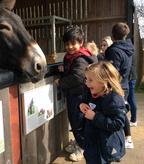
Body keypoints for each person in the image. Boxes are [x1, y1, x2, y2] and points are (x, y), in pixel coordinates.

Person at [55, 25, 97, 162]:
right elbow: (73, 71)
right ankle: (79, 142)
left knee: (78, 122)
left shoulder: (80, 58)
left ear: (81, 42)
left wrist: (60, 82)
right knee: (75, 121)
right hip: (76, 95)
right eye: (67, 44)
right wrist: (63, 69)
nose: (70, 47)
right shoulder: (72, 57)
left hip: (79, 96)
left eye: (73, 43)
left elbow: (77, 78)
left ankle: (83, 147)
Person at [79, 61, 126, 164]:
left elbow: (118, 123)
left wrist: (95, 117)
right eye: (86, 79)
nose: (86, 83)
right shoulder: (93, 92)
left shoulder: (113, 99)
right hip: (92, 143)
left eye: (90, 80)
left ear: (104, 81)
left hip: (103, 146)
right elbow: (85, 100)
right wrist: (81, 104)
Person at [105, 22, 134, 149]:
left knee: (117, 115)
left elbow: (112, 73)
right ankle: (126, 139)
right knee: (121, 112)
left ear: (113, 35)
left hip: (116, 87)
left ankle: (123, 141)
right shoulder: (128, 48)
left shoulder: (114, 51)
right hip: (125, 85)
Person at [128, 54, 138, 126]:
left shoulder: (128, 53)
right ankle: (133, 119)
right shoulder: (131, 51)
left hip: (130, 78)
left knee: (131, 99)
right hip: (132, 77)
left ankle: (134, 120)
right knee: (131, 98)